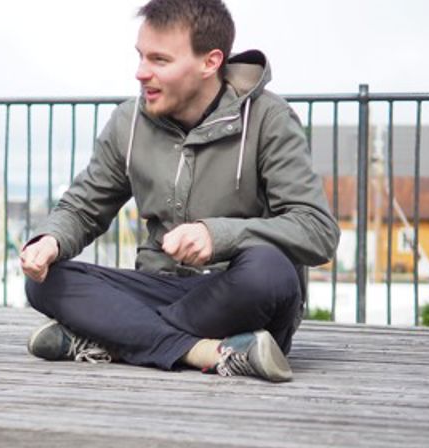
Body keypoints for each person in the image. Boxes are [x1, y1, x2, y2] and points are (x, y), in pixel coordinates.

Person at [20, 0, 340, 382]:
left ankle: (115, 338)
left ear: (210, 62)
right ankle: (205, 352)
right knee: (45, 280)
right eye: (140, 57)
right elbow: (84, 207)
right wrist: (51, 240)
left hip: (235, 294)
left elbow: (317, 230)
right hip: (162, 287)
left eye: (159, 60)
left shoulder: (270, 119)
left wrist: (216, 234)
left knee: (269, 272)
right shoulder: (128, 122)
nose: (140, 73)